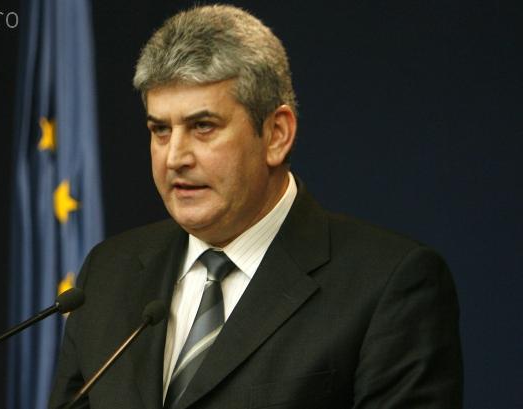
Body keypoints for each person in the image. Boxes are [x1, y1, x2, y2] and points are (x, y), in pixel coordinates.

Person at [49, 5, 463, 409]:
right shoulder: (108, 273)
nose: (174, 157)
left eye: (203, 127)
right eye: (160, 130)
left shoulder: (388, 284)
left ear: (277, 135)